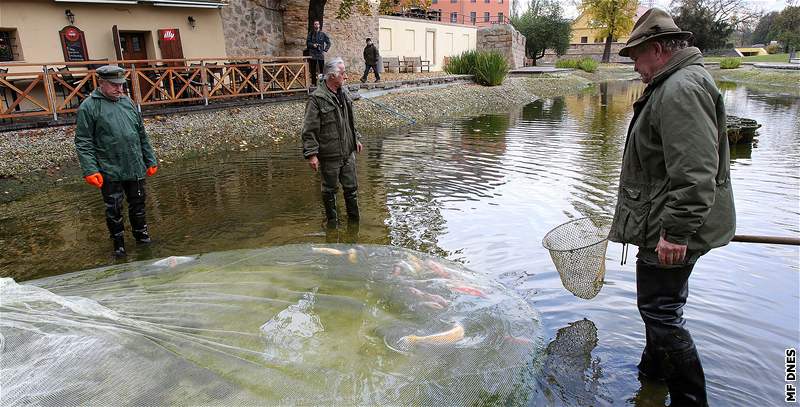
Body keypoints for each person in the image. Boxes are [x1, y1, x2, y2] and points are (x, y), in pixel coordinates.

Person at [609, 8, 735, 406]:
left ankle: (689, 400)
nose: (635, 67)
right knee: (660, 310)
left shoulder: (681, 89)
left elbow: (697, 174)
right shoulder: (675, 82)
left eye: (636, 57)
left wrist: (675, 232)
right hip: (663, 223)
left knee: (661, 312)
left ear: (658, 49)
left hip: (672, 230)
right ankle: (652, 382)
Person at [75, 65, 159, 257]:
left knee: (138, 204)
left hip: (134, 163)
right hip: (108, 167)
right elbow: (83, 141)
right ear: (101, 83)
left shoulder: (127, 103)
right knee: (114, 208)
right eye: (114, 85)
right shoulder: (89, 107)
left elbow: (141, 134)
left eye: (122, 84)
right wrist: (90, 169)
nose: (119, 89)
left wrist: (150, 158)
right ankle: (119, 245)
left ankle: (142, 237)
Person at [301, 57, 363, 228]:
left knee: (351, 189)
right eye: (343, 73)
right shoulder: (316, 99)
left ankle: (354, 225)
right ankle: (332, 226)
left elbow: (350, 121)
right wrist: (312, 155)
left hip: (348, 152)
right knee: (329, 191)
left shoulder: (345, 93)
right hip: (329, 155)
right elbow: (309, 129)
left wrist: (356, 138)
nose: (346, 76)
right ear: (332, 76)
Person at [306, 20, 331, 86]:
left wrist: (325, 50)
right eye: (315, 24)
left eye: (317, 24)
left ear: (319, 25)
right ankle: (314, 83)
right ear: (313, 25)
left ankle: (322, 83)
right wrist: (313, 45)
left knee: (322, 69)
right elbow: (307, 43)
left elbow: (328, 43)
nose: (316, 25)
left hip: (320, 54)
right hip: (313, 54)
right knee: (313, 70)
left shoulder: (323, 34)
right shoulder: (311, 34)